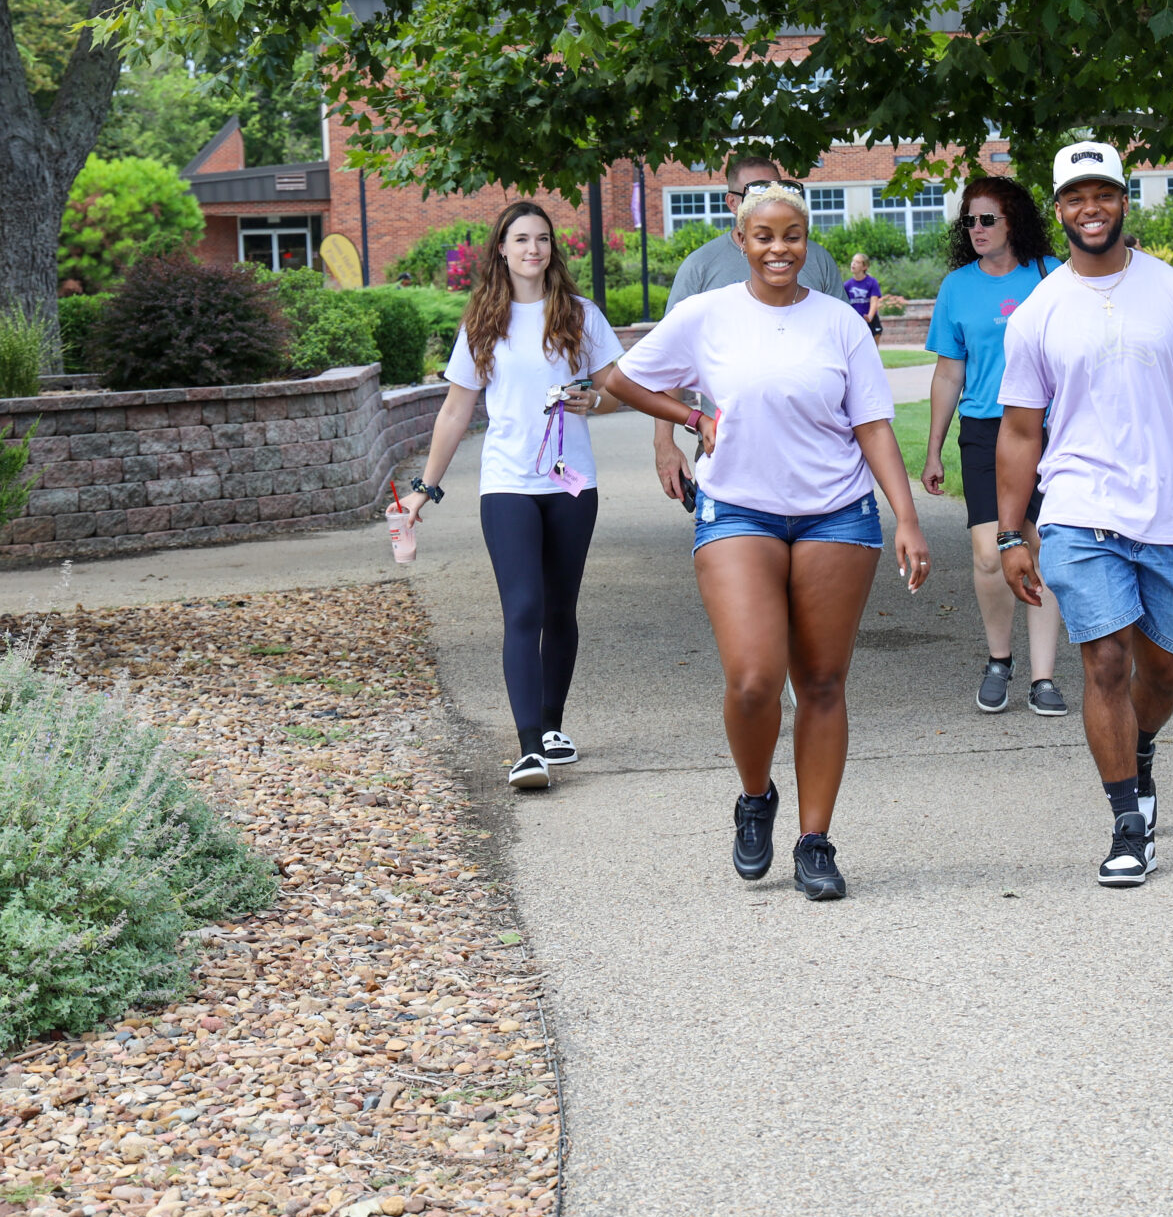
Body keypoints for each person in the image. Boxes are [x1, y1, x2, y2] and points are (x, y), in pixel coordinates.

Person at [599, 182, 931, 901]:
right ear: (741, 240)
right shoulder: (704, 314)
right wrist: (688, 416)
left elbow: (873, 424)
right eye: (764, 236)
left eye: (792, 236)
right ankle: (756, 798)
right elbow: (621, 380)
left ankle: (816, 841)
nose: (779, 248)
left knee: (820, 681)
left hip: (836, 512)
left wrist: (905, 516)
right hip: (738, 508)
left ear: (806, 241)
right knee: (753, 679)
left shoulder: (839, 322)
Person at [995, 144, 1173, 888]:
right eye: (1076, 196)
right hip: (1079, 509)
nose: (1091, 207)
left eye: (1103, 192)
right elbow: (1019, 431)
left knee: (1164, 671)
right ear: (1059, 209)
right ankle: (1126, 823)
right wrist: (1014, 532)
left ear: (1122, 200)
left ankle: (1139, 750)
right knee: (1105, 661)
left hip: (1170, 514)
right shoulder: (1039, 313)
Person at [399, 203, 624, 793]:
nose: (533, 249)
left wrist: (594, 403)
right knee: (523, 608)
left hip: (571, 483)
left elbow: (619, 390)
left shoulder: (579, 315)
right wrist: (425, 489)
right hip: (507, 485)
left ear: (553, 248)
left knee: (559, 610)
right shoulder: (482, 320)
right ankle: (529, 750)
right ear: (501, 248)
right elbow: (454, 411)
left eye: (543, 239)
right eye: (521, 239)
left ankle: (552, 726)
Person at [919, 176, 1069, 716]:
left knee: (1042, 548)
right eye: (969, 221)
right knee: (990, 554)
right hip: (985, 430)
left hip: (1050, 430)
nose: (976, 229)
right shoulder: (957, 287)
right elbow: (947, 374)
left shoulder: (1053, 276)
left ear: (1014, 222)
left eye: (987, 220)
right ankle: (999, 660)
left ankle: (1044, 678)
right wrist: (934, 448)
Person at [653, 153, 844, 503]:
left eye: (776, 190)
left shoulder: (815, 260)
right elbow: (667, 368)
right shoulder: (700, 268)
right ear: (732, 202)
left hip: (812, 444)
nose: (769, 201)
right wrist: (665, 443)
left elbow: (845, 355)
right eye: (755, 193)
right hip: (725, 444)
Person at [842, 253, 885, 338]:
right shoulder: (847, 285)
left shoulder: (872, 282)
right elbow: (844, 305)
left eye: (857, 262)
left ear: (865, 267)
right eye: (853, 261)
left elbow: (874, 302)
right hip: (854, 322)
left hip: (870, 320)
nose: (853, 264)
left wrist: (870, 317)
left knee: (873, 350)